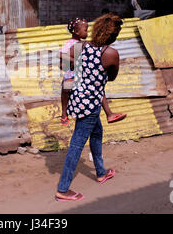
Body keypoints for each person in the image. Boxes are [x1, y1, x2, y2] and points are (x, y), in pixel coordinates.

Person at [55, 13, 124, 202]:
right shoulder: (110, 53)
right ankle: (63, 189)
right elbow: (112, 77)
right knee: (76, 145)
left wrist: (83, 71)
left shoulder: (80, 46)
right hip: (92, 103)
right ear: (112, 35)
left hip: (77, 99)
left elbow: (65, 62)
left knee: (96, 133)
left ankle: (101, 172)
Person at [60, 18, 126, 126]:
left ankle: (109, 113)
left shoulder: (83, 44)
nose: (87, 32)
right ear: (77, 32)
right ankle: (64, 114)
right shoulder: (74, 44)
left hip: (81, 75)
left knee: (96, 131)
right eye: (85, 30)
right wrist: (76, 62)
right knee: (67, 88)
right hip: (75, 76)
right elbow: (62, 59)